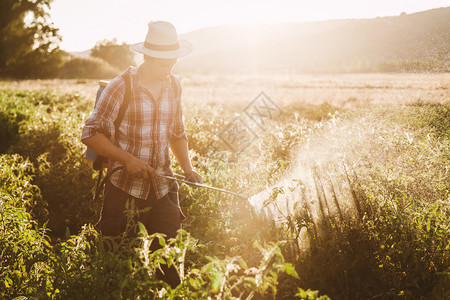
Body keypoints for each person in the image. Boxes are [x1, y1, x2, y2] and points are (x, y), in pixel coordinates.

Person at [81, 21, 202, 288]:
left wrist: (188, 168)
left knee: (169, 268)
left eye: (173, 62)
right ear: (147, 56)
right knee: (115, 265)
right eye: (163, 63)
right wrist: (127, 160)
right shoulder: (120, 87)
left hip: (162, 189)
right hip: (123, 191)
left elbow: (177, 133)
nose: (169, 68)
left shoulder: (174, 86)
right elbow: (90, 133)